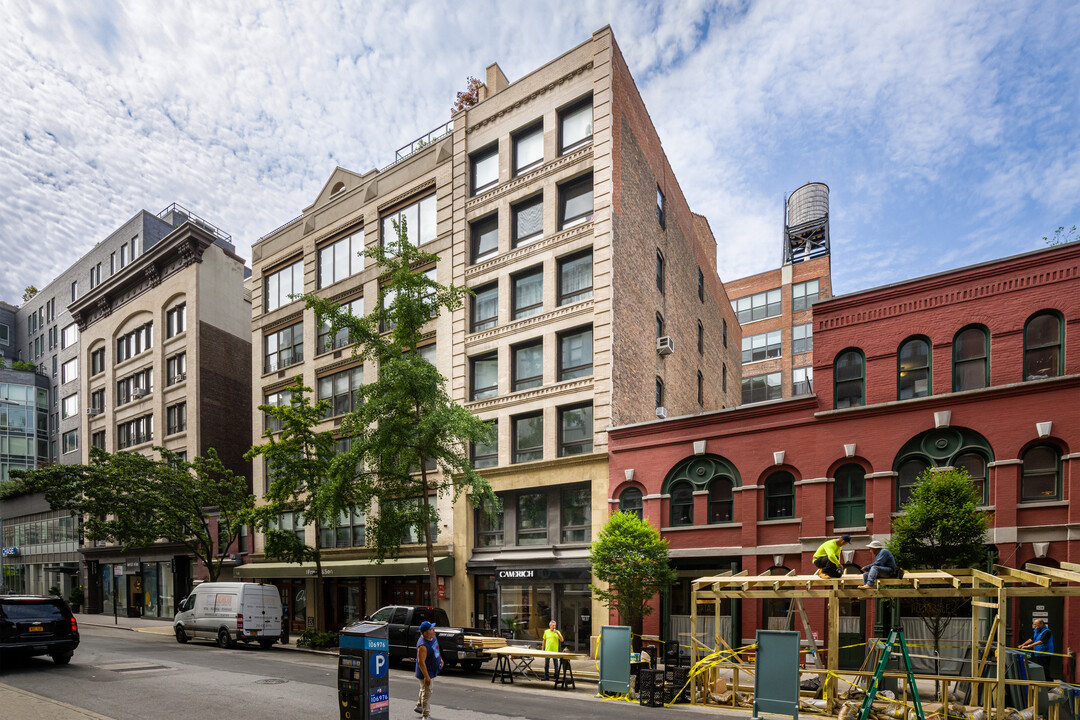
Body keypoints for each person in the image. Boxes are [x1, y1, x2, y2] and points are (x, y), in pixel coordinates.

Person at [414, 620, 443, 719]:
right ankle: (425, 715)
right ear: (425, 633)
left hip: (432, 669)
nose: (434, 630)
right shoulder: (422, 646)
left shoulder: (433, 637)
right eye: (431, 629)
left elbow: (436, 648)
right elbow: (421, 662)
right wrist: (427, 677)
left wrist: (440, 659)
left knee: (424, 689)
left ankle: (419, 705)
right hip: (426, 672)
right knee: (427, 692)